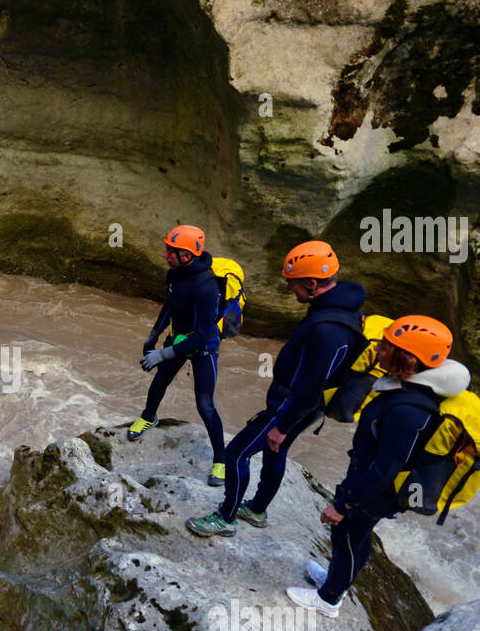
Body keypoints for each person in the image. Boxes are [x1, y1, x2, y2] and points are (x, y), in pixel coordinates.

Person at [288, 316, 469, 616]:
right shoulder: (410, 391)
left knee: (346, 533)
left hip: (375, 489)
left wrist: (343, 503)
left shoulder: (410, 411)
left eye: (387, 347)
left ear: (408, 359)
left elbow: (386, 467)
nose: (379, 350)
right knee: (357, 535)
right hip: (372, 482)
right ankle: (336, 580)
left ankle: (329, 599)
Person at [187, 240, 366, 536]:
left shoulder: (329, 328)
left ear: (311, 283)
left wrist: (282, 424)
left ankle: (226, 518)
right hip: (304, 405)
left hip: (291, 405)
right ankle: (257, 510)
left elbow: (311, 383)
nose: (287, 287)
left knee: (235, 455)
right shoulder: (340, 309)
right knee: (275, 451)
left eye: (291, 282)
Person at [130, 225, 227, 485]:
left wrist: (163, 354)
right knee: (160, 381)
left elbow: (204, 334)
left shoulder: (207, 287)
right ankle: (148, 418)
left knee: (205, 405)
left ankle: (220, 461)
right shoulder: (174, 275)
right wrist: (154, 334)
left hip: (203, 345)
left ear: (187, 255)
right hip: (180, 337)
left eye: (170, 252)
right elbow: (170, 306)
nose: (165, 256)